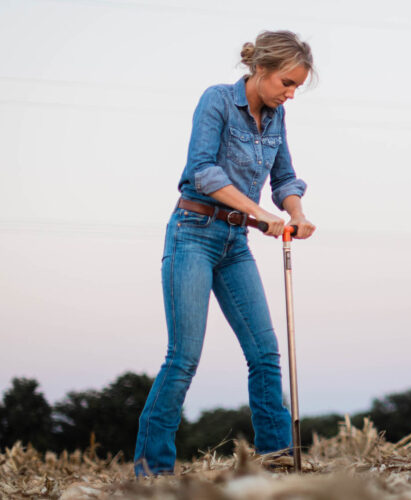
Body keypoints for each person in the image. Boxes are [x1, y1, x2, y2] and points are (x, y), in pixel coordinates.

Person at [133, 30, 317, 476]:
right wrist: (258, 212)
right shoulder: (216, 101)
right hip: (193, 232)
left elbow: (285, 177)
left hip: (236, 244)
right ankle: (152, 472)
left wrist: (297, 213)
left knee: (265, 352)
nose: (291, 94)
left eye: (297, 86)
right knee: (184, 356)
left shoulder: (275, 118)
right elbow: (203, 172)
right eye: (287, 83)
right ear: (261, 69)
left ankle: (277, 461)